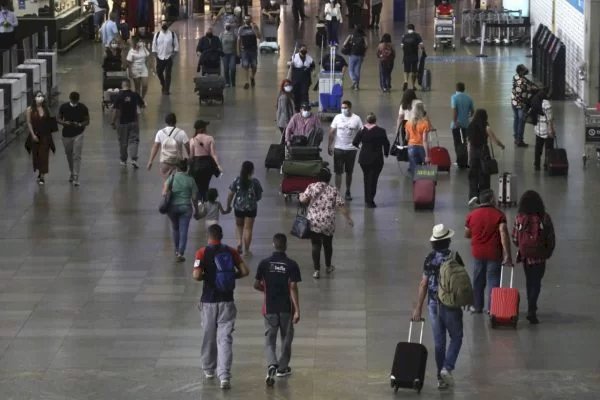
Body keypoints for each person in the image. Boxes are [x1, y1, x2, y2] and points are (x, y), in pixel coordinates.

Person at [193, 224, 250, 390]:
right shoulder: (231, 251)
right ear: (222, 236)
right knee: (225, 339)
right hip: (227, 301)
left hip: (209, 301)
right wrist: (232, 276)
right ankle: (224, 376)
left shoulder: (201, 252)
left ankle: (209, 369)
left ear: (208, 236)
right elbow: (245, 271)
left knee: (209, 336)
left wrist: (207, 276)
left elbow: (196, 276)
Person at [412, 224, 464, 390]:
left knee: (439, 342)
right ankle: (447, 368)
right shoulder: (455, 256)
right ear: (448, 240)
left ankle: (440, 379)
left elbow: (423, 284)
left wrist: (418, 308)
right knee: (456, 336)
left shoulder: (429, 258)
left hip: (434, 304)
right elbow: (462, 281)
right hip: (450, 304)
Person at [254, 233, 301, 385]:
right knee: (286, 338)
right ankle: (282, 367)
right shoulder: (291, 264)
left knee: (270, 339)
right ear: (285, 246)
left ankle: (271, 363)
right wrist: (297, 310)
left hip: (269, 307)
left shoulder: (264, 263)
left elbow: (256, 284)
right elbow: (293, 287)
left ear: (273, 245)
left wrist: (266, 290)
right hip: (286, 307)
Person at [465, 189, 513, 314]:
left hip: (478, 253)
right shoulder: (499, 215)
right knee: (493, 280)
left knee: (478, 280)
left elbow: (467, 234)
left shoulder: (472, 215)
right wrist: (507, 254)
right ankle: (493, 308)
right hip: (494, 253)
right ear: (491, 199)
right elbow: (503, 233)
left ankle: (477, 306)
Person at [299, 168, 353, 279]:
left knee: (315, 245)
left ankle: (316, 270)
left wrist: (300, 196)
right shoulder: (333, 190)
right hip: (328, 222)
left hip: (314, 222)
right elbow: (341, 206)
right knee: (328, 245)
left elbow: (303, 200)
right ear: (329, 178)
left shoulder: (312, 187)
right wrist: (348, 219)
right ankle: (328, 266)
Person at [511, 190, 555, 324]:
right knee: (537, 282)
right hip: (540, 257)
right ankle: (532, 308)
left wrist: (522, 246)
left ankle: (531, 304)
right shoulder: (545, 217)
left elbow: (514, 238)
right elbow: (550, 237)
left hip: (526, 256)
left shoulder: (519, 217)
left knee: (529, 280)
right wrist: (548, 252)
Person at [466, 109, 505, 204]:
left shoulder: (470, 126)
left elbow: (468, 143)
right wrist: (502, 146)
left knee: (473, 176)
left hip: (473, 153)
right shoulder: (486, 126)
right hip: (484, 153)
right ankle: (484, 197)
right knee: (484, 175)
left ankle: (473, 196)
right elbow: (495, 140)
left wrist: (469, 157)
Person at [164, 159, 201, 262]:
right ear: (186, 168)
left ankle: (176, 250)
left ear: (177, 168)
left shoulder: (172, 177)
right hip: (186, 207)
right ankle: (180, 252)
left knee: (175, 228)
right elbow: (194, 198)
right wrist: (196, 211)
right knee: (183, 230)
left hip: (172, 207)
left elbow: (164, 191)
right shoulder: (191, 180)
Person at [352, 112, 390, 208]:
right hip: (376, 159)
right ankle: (370, 200)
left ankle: (367, 199)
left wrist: (361, 147)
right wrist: (386, 153)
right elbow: (386, 144)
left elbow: (354, 142)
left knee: (366, 178)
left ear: (367, 120)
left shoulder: (362, 130)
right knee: (373, 180)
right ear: (375, 120)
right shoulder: (381, 131)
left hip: (364, 159)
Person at [225, 161, 263, 256]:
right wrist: (254, 200)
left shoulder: (237, 180)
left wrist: (228, 205)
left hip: (238, 207)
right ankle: (247, 249)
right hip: (251, 208)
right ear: (252, 170)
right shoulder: (255, 182)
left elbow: (230, 194)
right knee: (248, 229)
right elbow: (259, 196)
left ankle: (239, 243)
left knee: (239, 226)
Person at [328, 100, 363, 200]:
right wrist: (329, 145)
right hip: (338, 148)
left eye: (345, 107)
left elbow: (362, 131)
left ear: (350, 108)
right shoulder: (337, 117)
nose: (343, 109)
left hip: (351, 149)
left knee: (349, 172)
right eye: (342, 108)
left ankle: (348, 190)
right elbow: (331, 132)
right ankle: (337, 192)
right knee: (338, 172)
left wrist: (359, 143)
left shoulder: (356, 118)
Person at [57, 92, 90, 187]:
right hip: (66, 134)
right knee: (69, 154)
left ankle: (76, 176)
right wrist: (64, 123)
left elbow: (87, 121)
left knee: (76, 155)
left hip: (78, 134)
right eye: (73, 101)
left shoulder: (83, 108)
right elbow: (58, 118)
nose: (75, 102)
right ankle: (72, 172)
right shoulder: (64, 107)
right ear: (70, 99)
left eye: (76, 101)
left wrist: (80, 124)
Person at [111, 79, 145, 168]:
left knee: (123, 142)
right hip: (134, 121)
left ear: (122, 86)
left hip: (122, 123)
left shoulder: (118, 96)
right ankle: (134, 159)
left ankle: (123, 160)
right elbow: (142, 105)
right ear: (129, 85)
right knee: (134, 141)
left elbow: (115, 110)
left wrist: (113, 122)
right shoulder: (135, 95)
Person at [25, 91, 56, 185]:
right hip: (35, 135)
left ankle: (42, 176)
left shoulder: (46, 109)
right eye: (38, 96)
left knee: (44, 155)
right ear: (34, 98)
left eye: (42, 96)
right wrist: (33, 135)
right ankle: (40, 172)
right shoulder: (29, 109)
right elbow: (29, 122)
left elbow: (51, 120)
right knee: (37, 156)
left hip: (45, 136)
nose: (40, 98)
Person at [147, 113, 190, 179]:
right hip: (178, 162)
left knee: (166, 182)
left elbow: (155, 147)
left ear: (166, 121)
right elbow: (188, 146)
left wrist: (150, 161)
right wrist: (190, 157)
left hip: (165, 161)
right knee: (178, 181)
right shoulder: (181, 132)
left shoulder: (160, 132)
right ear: (175, 121)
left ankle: (167, 188)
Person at [189, 120, 222, 202]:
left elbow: (191, 156)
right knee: (206, 186)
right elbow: (213, 154)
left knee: (198, 187)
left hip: (196, 166)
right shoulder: (210, 138)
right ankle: (207, 204)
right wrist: (218, 165)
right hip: (207, 166)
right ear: (203, 128)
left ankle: (200, 205)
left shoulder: (192, 140)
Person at [511, 64, 537, 147]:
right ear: (520, 71)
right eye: (524, 70)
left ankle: (516, 138)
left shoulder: (515, 77)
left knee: (516, 119)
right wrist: (535, 88)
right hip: (521, 104)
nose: (526, 71)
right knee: (521, 122)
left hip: (513, 101)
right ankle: (520, 140)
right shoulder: (523, 82)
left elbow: (528, 82)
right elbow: (530, 89)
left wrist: (531, 84)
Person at [152, 22, 179, 95]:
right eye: (163, 24)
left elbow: (176, 46)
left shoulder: (172, 34)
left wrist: (173, 55)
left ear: (168, 25)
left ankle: (166, 89)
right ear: (161, 25)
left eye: (166, 24)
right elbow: (154, 46)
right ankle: (163, 84)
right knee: (159, 72)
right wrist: (156, 56)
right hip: (159, 57)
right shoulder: (157, 35)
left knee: (168, 74)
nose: (164, 25)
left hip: (168, 57)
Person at [404, 102, 432, 175]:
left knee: (414, 168)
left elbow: (406, 137)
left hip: (411, 147)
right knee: (425, 169)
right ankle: (423, 184)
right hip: (421, 147)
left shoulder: (408, 123)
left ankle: (415, 183)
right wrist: (427, 156)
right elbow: (424, 141)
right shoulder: (425, 123)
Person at [531, 89, 555, 171]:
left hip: (538, 129)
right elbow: (549, 119)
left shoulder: (535, 101)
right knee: (548, 149)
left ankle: (537, 164)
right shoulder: (546, 104)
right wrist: (551, 130)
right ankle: (546, 164)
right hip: (546, 130)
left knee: (538, 148)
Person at [450, 82, 474, 165]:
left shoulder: (454, 97)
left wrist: (455, 121)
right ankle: (465, 160)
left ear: (456, 88)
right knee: (464, 143)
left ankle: (459, 161)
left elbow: (454, 110)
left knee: (457, 143)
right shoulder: (469, 98)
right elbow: (472, 112)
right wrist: (466, 117)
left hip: (457, 124)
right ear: (464, 89)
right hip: (466, 124)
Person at [237, 15, 261, 90]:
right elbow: (239, 40)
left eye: (248, 19)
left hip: (253, 50)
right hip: (245, 50)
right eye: (245, 19)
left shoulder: (254, 27)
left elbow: (259, 37)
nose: (247, 20)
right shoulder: (241, 29)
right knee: (245, 65)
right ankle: (246, 82)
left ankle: (252, 77)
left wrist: (255, 29)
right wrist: (238, 50)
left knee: (254, 65)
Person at [400, 24, 424, 91]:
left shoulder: (404, 36)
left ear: (408, 29)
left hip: (406, 56)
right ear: (414, 29)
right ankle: (413, 86)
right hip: (414, 56)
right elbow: (421, 46)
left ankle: (405, 81)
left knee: (406, 70)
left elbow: (402, 46)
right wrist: (423, 50)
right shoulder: (417, 35)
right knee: (414, 71)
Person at [220, 22, 238, 87]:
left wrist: (237, 53)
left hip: (232, 54)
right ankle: (227, 82)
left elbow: (236, 44)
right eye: (226, 26)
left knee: (233, 68)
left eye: (229, 26)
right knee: (226, 69)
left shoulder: (234, 35)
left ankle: (233, 81)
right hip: (224, 54)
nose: (228, 27)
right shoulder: (222, 34)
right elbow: (219, 44)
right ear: (224, 27)